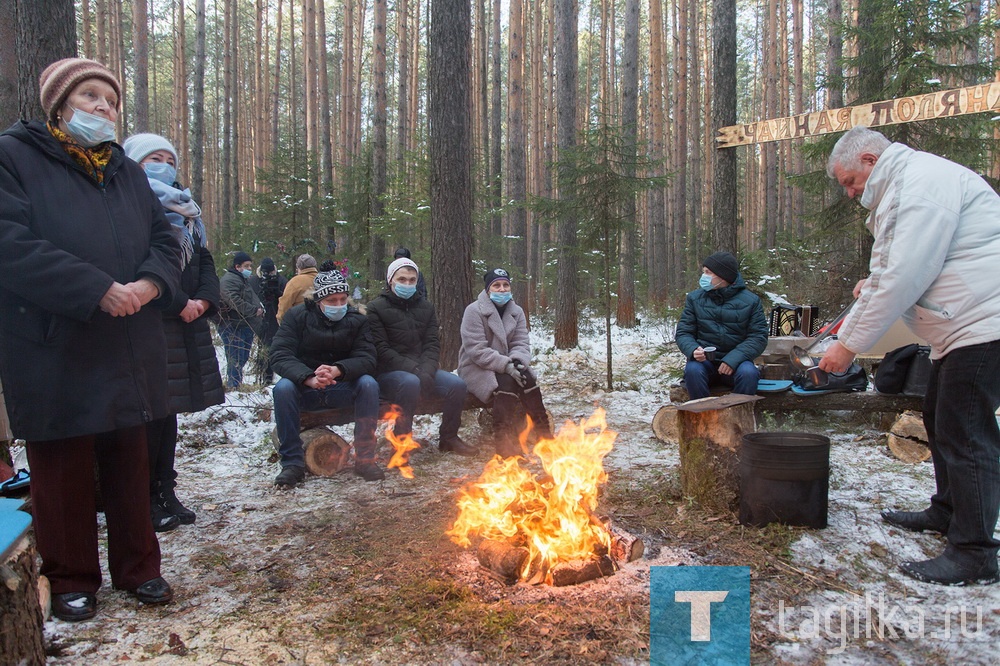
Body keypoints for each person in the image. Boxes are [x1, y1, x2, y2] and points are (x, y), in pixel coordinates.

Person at [0, 58, 182, 621]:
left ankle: (139, 568)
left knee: (130, 458)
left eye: (110, 99)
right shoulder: (15, 156)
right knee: (62, 466)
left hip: (127, 339)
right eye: (90, 97)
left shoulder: (124, 169)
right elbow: (11, 242)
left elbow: (164, 236)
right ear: (59, 104)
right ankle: (71, 574)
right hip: (54, 338)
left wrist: (151, 283)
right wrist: (96, 288)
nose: (103, 107)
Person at [822, 125, 1000, 586]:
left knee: (967, 435)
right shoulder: (903, 188)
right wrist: (871, 282)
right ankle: (947, 513)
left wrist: (848, 346)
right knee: (941, 419)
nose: (849, 193)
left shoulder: (921, 184)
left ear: (868, 160)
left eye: (849, 181)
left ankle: (975, 551)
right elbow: (897, 265)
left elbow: (903, 275)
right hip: (961, 326)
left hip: (985, 321)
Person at [123, 132, 225, 533]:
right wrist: (178, 301)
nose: (163, 165)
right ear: (135, 163)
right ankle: (143, 497)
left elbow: (205, 263)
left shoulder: (189, 213)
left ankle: (167, 489)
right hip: (151, 323)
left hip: (187, 327)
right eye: (153, 158)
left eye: (169, 158)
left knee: (168, 416)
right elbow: (139, 268)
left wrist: (203, 301)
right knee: (147, 414)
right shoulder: (131, 207)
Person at [270, 271, 382, 486]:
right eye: (331, 300)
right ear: (318, 299)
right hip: (305, 386)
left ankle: (365, 458)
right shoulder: (296, 317)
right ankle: (292, 464)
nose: (338, 304)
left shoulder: (357, 320)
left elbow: (367, 357)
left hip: (342, 385)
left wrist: (338, 370)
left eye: (342, 299)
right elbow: (280, 354)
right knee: (282, 388)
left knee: (369, 383)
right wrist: (308, 377)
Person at [367, 257, 475, 456]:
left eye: (411, 280)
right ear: (391, 281)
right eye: (402, 279)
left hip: (423, 369)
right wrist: (415, 370)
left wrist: (426, 369)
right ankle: (401, 443)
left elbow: (432, 343)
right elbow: (381, 349)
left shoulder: (426, 307)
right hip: (390, 374)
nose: (407, 284)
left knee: (457, 385)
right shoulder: (375, 308)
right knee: (409, 383)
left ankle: (449, 438)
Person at [458, 268, 553, 457]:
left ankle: (544, 434)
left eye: (505, 285)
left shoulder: (516, 311)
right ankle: (504, 441)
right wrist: (506, 365)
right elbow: (476, 349)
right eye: (496, 285)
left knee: (526, 378)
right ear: (487, 290)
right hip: (477, 366)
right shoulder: (474, 310)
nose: (502, 289)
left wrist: (517, 362)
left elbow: (521, 342)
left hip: (507, 363)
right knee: (507, 383)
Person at [675, 252, 768, 400]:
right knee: (692, 370)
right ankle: (704, 417)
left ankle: (738, 418)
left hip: (737, 363)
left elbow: (758, 337)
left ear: (722, 276)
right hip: (704, 363)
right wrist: (693, 350)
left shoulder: (751, 301)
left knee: (749, 373)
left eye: (708, 272)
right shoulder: (694, 298)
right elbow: (683, 332)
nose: (703, 276)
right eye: (703, 272)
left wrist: (732, 359)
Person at [218, 251, 263, 389]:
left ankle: (237, 384)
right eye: (247, 266)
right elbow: (234, 301)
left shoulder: (242, 280)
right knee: (235, 357)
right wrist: (253, 310)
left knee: (242, 357)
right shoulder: (229, 280)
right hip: (232, 325)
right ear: (237, 266)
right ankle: (233, 386)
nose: (250, 269)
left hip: (244, 324)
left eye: (250, 266)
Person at [250, 257, 287, 384]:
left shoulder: (280, 280)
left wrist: (277, 293)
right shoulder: (253, 281)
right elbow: (250, 297)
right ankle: (263, 374)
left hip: (275, 317)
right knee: (263, 345)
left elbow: (286, 299)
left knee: (274, 346)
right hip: (259, 318)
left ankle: (271, 375)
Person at [277, 253, 318, 321]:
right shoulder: (322, 279)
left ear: (299, 267)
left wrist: (281, 321)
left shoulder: (295, 282)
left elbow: (284, 306)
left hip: (301, 323)